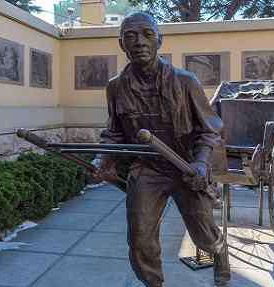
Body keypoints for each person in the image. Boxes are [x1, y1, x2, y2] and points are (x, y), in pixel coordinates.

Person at [94, 12, 230, 287]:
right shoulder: (116, 87)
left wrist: (201, 164)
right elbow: (115, 132)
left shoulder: (185, 82)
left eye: (146, 34)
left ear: (159, 40)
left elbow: (210, 130)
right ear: (122, 44)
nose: (139, 42)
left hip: (186, 167)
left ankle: (219, 252)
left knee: (203, 233)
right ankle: (153, 283)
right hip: (148, 169)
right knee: (140, 238)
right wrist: (104, 159)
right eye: (130, 36)